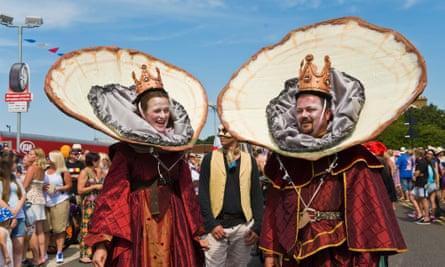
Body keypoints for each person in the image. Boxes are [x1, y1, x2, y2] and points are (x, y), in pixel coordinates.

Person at [260, 54, 407, 265]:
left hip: (337, 256)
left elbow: (366, 222)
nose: (304, 115)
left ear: (328, 114)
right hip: (292, 254)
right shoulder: (284, 159)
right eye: (299, 110)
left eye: (311, 109)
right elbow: (273, 209)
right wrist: (270, 255)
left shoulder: (354, 159)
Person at [78, 62, 208, 267]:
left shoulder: (177, 147)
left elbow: (186, 191)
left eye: (166, 110)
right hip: (138, 220)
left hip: (174, 221)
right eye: (157, 111)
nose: (163, 116)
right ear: (143, 113)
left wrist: (196, 231)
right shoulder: (127, 150)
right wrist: (103, 243)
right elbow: (113, 195)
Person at [198, 125, 263, 266]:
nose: (221, 134)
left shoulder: (249, 160)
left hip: (242, 228)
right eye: (219, 131)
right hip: (217, 227)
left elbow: (256, 195)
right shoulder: (209, 159)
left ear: (236, 133)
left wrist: (257, 227)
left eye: (225, 131)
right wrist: (211, 224)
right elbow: (203, 195)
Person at [43, 150, 72, 264]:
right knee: (46, 229)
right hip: (46, 202)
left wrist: (58, 188)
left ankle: (59, 252)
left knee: (59, 229)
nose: (47, 159)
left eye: (49, 157)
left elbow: (69, 186)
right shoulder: (45, 171)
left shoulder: (63, 171)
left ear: (55, 159)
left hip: (60, 201)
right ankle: (44, 252)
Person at [0, 150, 26, 267]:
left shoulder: (15, 177)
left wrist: (16, 211)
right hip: (4, 218)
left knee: (18, 247)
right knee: (5, 246)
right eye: (15, 162)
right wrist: (11, 213)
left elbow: (23, 195)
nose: (17, 165)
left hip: (19, 216)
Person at [23, 148, 48, 266]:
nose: (29, 155)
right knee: (40, 231)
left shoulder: (32, 168)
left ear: (37, 156)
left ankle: (36, 258)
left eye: (31, 154)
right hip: (40, 199)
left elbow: (25, 185)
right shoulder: (42, 169)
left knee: (31, 231)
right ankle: (43, 256)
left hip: (31, 200)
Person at [78, 152, 102, 263]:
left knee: (94, 228)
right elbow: (80, 190)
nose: (99, 162)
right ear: (93, 161)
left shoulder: (94, 171)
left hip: (96, 203)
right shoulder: (84, 172)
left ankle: (91, 252)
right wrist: (95, 186)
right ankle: (83, 254)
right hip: (88, 203)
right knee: (85, 228)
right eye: (98, 160)